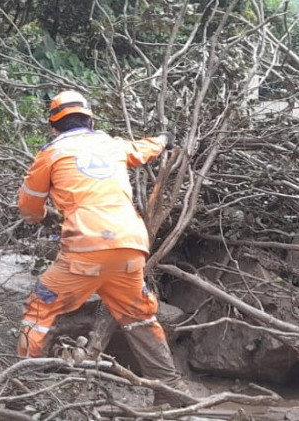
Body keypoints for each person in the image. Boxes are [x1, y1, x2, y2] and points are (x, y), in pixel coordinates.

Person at [16, 90, 186, 394]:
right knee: (140, 318)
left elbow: (29, 210)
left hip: (85, 249)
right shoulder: (111, 144)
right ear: (90, 120)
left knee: (39, 309)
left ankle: (24, 391)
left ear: (53, 126)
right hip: (131, 246)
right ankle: (174, 396)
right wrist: (163, 139)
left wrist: (42, 214)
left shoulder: (50, 153)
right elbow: (144, 149)